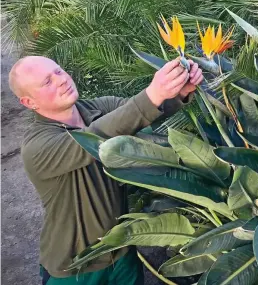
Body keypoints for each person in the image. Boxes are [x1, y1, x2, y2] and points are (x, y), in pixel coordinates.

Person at [8, 55, 203, 285]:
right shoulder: (37, 146)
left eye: (59, 72)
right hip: (77, 268)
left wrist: (179, 92)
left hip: (122, 251)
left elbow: (139, 115)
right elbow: (95, 138)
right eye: (47, 82)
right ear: (29, 103)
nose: (61, 80)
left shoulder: (97, 108)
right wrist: (154, 93)